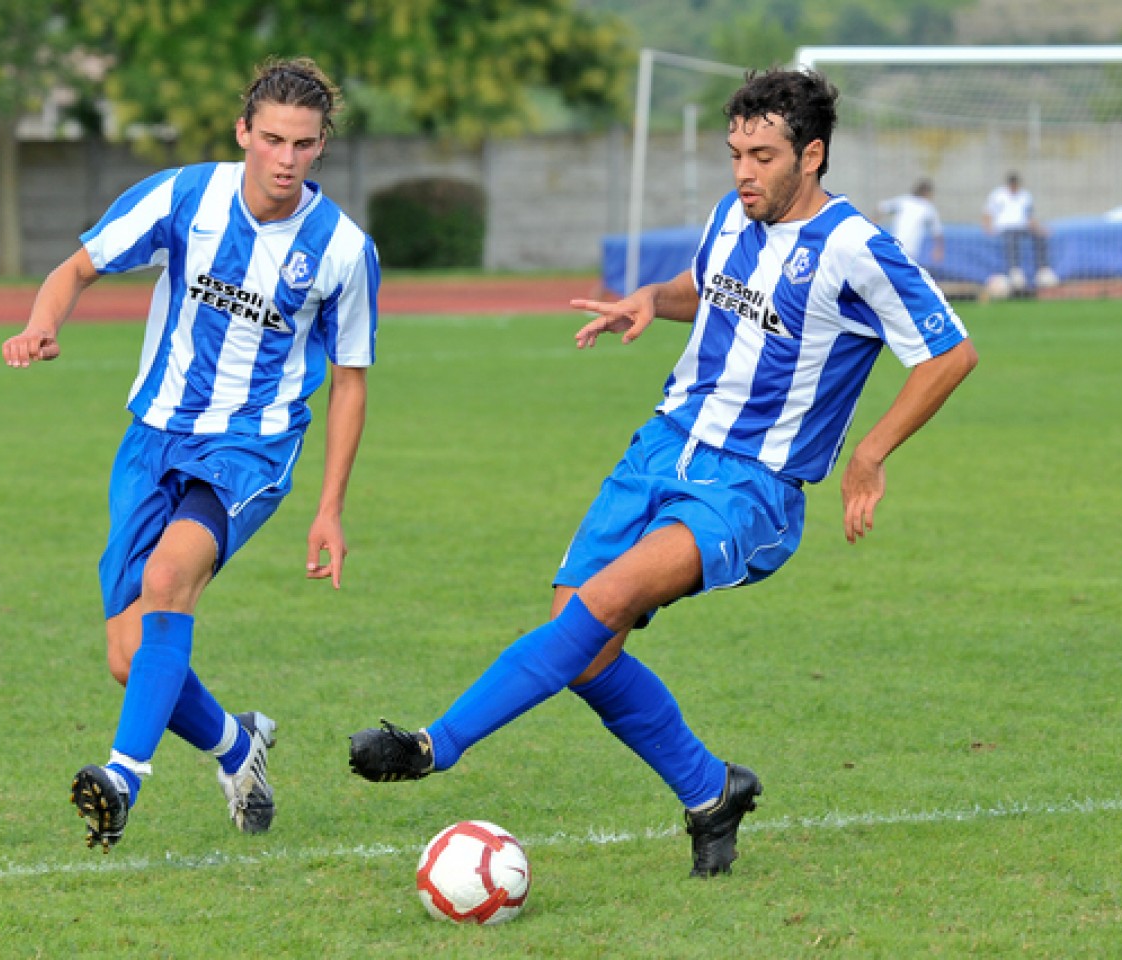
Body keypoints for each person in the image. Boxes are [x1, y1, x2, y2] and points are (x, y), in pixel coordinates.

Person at [348, 67, 977, 878]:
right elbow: (706, 288)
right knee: (583, 640)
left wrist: (870, 452)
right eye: (734, 153)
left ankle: (437, 745)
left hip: (750, 484)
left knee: (602, 606)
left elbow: (949, 351)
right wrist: (650, 296)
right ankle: (711, 792)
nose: (743, 171)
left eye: (762, 154)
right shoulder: (733, 214)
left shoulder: (856, 250)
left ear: (811, 155)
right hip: (662, 445)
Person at [2, 57, 379, 853]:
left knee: (169, 579)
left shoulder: (343, 250)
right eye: (271, 138)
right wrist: (45, 323)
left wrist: (330, 507)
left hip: (250, 448)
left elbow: (349, 381)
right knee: (130, 656)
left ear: (320, 148)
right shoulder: (185, 196)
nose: (285, 158)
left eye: (303, 145)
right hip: (152, 436)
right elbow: (77, 268)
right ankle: (237, 747)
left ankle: (123, 776)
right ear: (244, 131)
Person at [983, 171, 1057, 293]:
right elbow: (988, 212)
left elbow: (1030, 217)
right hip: (1005, 228)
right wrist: (988, 227)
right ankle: (1015, 271)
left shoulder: (1025, 196)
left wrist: (1039, 229)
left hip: (1023, 227)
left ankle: (1043, 270)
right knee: (1012, 240)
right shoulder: (997, 195)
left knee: (1039, 238)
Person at [878, 178, 944, 265]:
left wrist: (873, 222)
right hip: (910, 249)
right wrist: (939, 249)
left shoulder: (903, 200)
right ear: (927, 193)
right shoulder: (928, 208)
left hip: (895, 245)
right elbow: (937, 231)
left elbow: (881, 207)